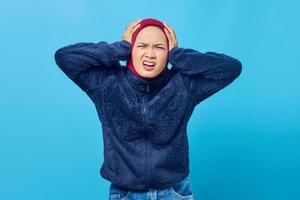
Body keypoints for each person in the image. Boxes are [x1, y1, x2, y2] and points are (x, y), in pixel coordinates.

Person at [54, 18, 242, 200]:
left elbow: (231, 68)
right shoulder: (106, 82)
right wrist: (119, 48)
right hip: (125, 194)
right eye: (142, 46)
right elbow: (65, 57)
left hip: (174, 192)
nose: (150, 54)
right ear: (131, 49)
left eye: (159, 47)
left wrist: (178, 54)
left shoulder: (183, 84)